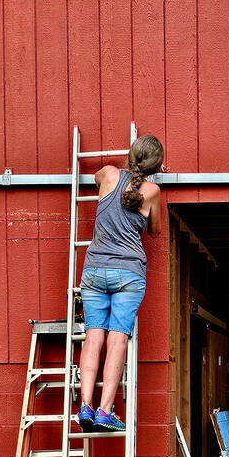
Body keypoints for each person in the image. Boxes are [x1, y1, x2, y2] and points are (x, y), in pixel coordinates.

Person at [77, 134, 164, 432]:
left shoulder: (111, 174)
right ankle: (105, 411)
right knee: (117, 338)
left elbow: (94, 178)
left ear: (130, 154)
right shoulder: (152, 190)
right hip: (129, 273)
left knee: (93, 337)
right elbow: (156, 231)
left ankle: (85, 405)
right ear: (156, 167)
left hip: (94, 269)